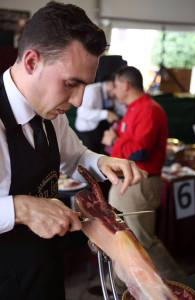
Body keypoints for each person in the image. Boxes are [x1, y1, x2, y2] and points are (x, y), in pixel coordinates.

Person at [0, 3, 147, 300]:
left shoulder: (50, 112)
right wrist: (20, 209)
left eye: (84, 86)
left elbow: (75, 157)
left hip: (46, 268)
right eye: (71, 84)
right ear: (31, 62)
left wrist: (103, 161)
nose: (79, 101)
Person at [102, 66, 186, 293]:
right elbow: (127, 143)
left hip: (139, 183)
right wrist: (115, 139)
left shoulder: (149, 109)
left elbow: (140, 152)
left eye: (116, 84)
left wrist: (114, 140)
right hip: (125, 183)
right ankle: (121, 287)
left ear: (125, 85)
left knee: (142, 240)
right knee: (122, 237)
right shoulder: (133, 109)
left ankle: (181, 285)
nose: (113, 89)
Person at [75, 77, 126, 153]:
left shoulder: (112, 95)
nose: (117, 92)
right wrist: (106, 114)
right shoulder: (92, 90)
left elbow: (120, 108)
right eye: (117, 89)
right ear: (110, 84)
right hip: (86, 134)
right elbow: (82, 112)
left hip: (100, 133)